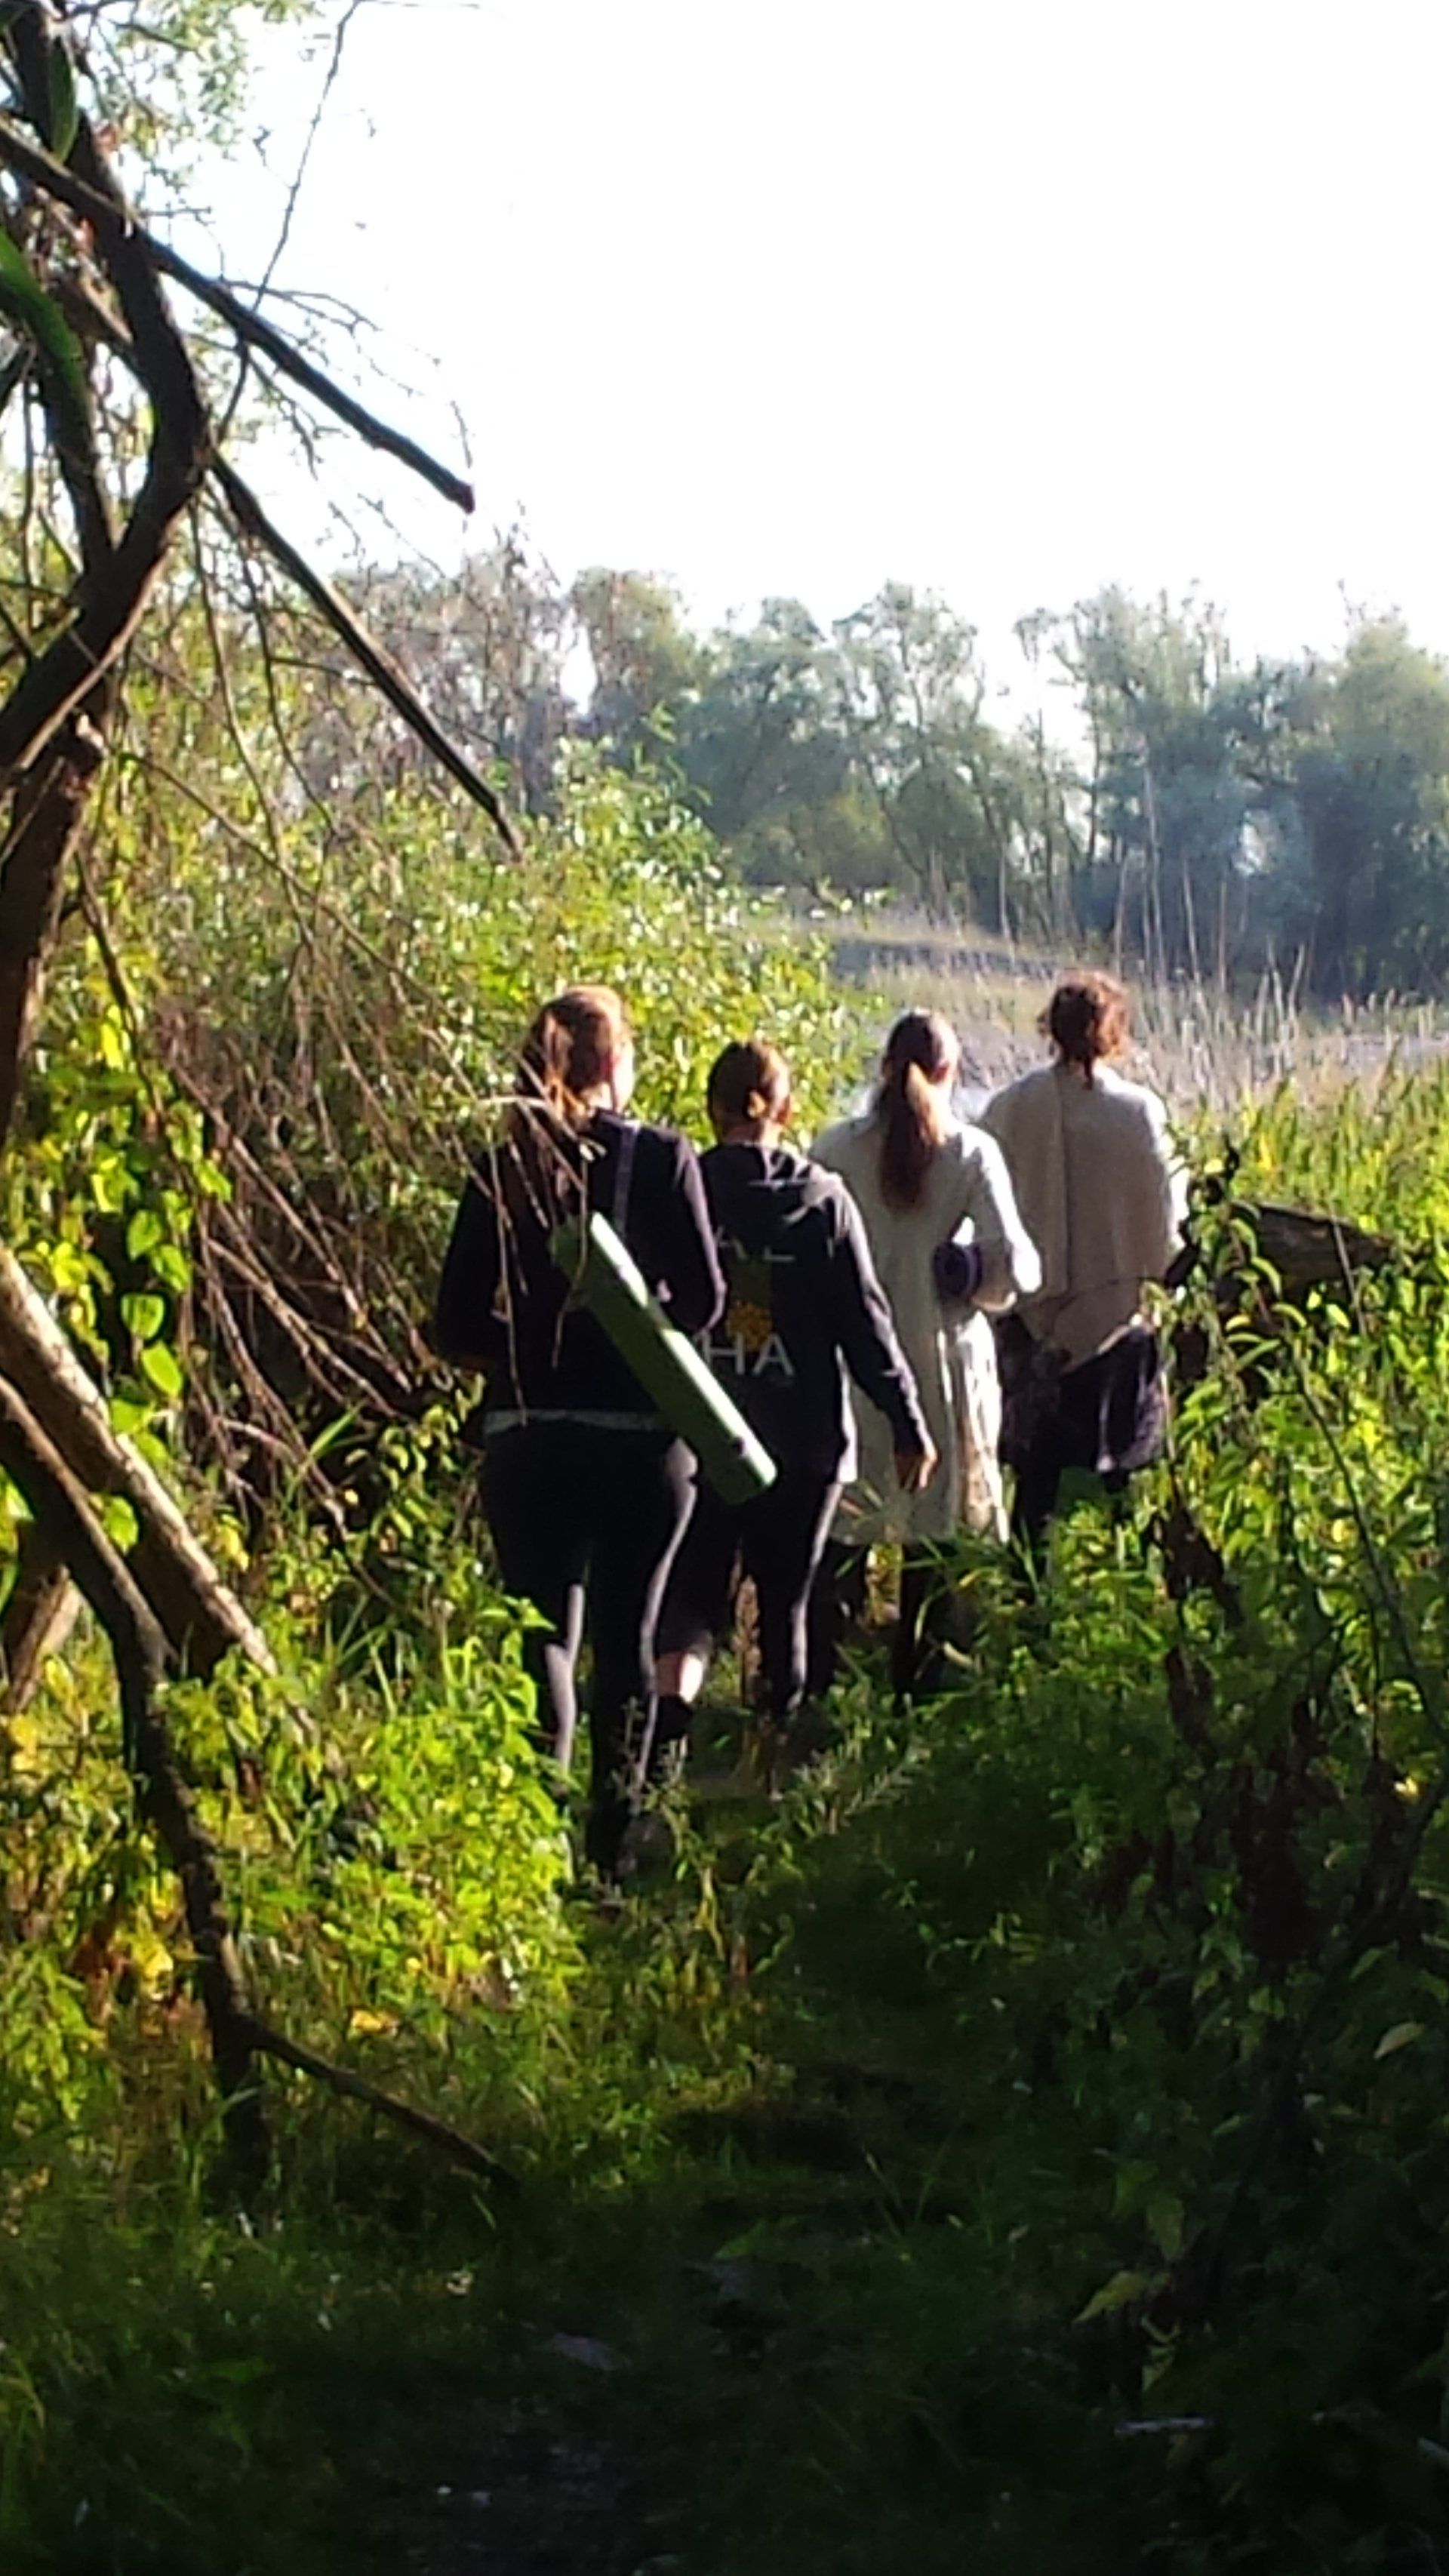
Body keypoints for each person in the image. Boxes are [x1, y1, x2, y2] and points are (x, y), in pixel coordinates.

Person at [432, 985, 725, 1873]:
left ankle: (534, 1850)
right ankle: (613, 1846)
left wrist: (525, 1354)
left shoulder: (504, 1164)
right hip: (643, 1440)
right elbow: (707, 1300)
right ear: (616, 1064)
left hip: (528, 1437)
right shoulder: (666, 1156)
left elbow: (449, 1322)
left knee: (546, 1638)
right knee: (629, 1637)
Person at [652, 1040, 934, 1768]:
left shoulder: (685, 1191)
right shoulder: (824, 1200)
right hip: (806, 1442)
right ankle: (770, 1764)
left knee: (692, 1599)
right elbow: (865, 1328)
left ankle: (666, 1745)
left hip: (705, 1435)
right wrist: (908, 1422)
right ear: (786, 1108)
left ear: (711, 1110)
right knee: (787, 1600)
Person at [811, 1010, 1041, 1694]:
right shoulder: (969, 1154)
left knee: (850, 1525)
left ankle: (829, 1684)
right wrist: (970, 1272)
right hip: (941, 1363)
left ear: (884, 1068)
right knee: (934, 1534)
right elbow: (1017, 1267)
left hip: (857, 1367)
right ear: (950, 1072)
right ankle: (922, 1686)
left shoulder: (834, 1148)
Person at [980, 970, 1188, 1553]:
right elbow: (1166, 1217)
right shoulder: (1139, 1112)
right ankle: (1136, 1597)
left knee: (1035, 1487)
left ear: (1052, 1029)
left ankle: (1026, 1613)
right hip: (1118, 1323)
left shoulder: (1009, 1107)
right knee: (1128, 1476)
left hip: (1032, 1330)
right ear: (1114, 1033)